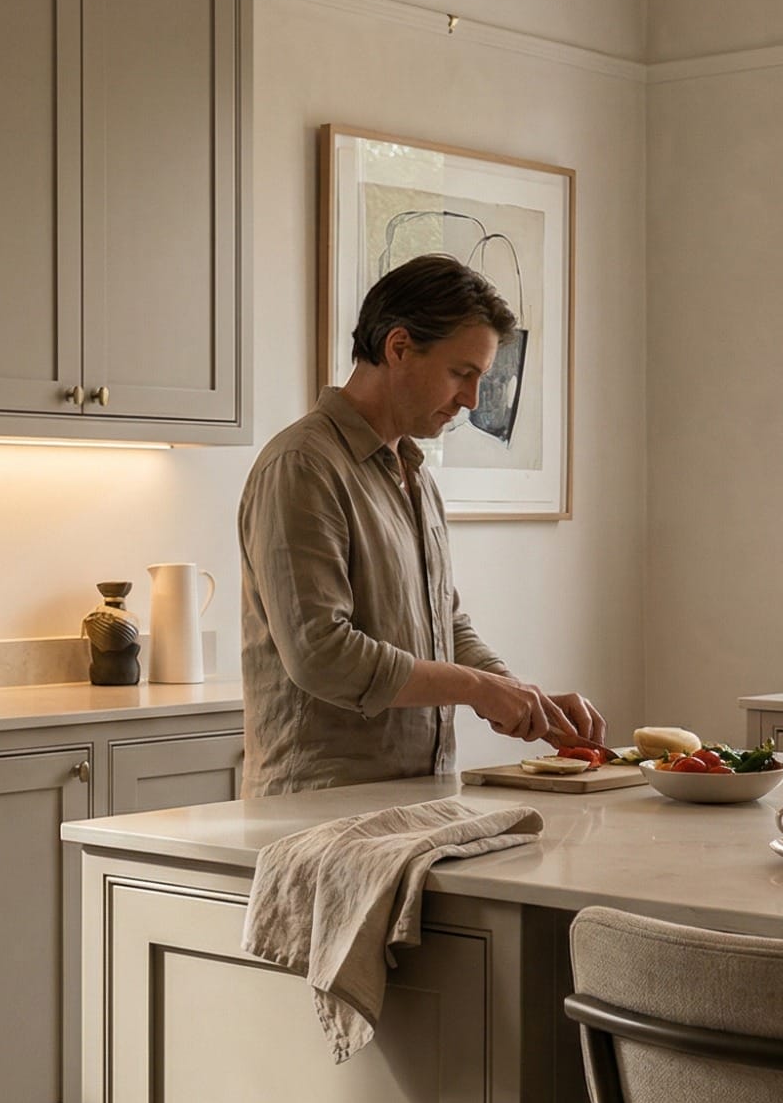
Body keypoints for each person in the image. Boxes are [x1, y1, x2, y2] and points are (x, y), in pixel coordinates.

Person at [238, 253, 605, 796]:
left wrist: (523, 697)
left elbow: (444, 626)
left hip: (418, 799)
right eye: (461, 373)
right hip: (316, 809)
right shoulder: (302, 467)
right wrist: (477, 689)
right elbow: (321, 654)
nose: (472, 400)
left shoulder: (416, 478)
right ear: (399, 347)